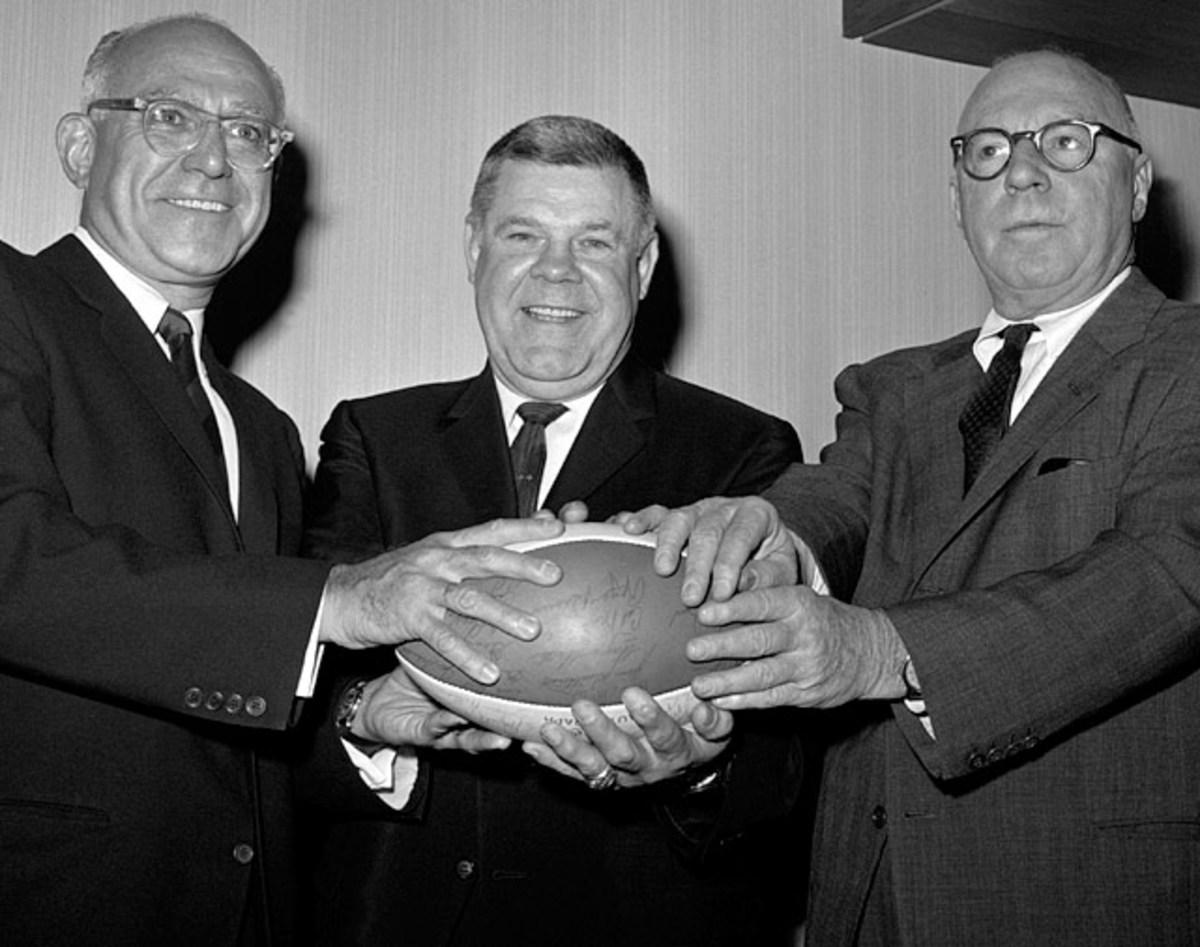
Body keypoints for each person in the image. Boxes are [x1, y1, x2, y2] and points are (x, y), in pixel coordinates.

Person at [0, 15, 570, 947]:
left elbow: (229, 718)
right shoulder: (11, 303)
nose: (215, 161)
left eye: (249, 133)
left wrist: (371, 723)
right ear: (77, 145)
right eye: (170, 116)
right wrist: (337, 600)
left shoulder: (261, 430)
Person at [629, 49, 1200, 946]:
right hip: (866, 904)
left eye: (1065, 141)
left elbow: (1169, 573)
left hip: (1094, 904)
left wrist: (882, 652)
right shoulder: (895, 389)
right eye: (988, 150)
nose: (1021, 169)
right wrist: (758, 538)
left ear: (1135, 186)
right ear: (956, 198)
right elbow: (834, 502)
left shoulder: (1186, 360)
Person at [301, 115, 810, 946]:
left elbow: (783, 762)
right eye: (523, 233)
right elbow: (292, 705)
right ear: (474, 248)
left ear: (642, 267)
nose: (556, 272)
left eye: (595, 243)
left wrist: (699, 763)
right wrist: (365, 716)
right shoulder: (373, 438)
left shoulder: (742, 453)